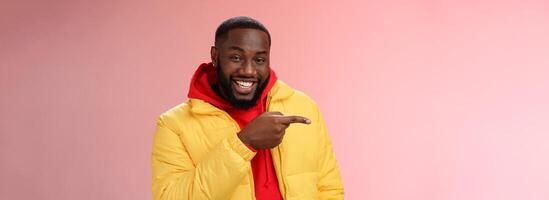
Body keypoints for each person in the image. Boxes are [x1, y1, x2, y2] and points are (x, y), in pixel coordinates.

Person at [151, 16, 344, 200]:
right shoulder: (173, 125)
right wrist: (244, 143)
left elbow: (329, 188)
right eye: (236, 57)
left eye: (259, 60)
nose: (248, 71)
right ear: (215, 56)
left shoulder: (303, 106)